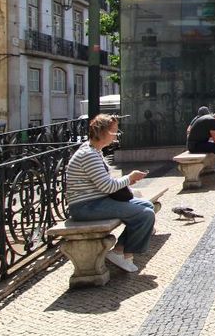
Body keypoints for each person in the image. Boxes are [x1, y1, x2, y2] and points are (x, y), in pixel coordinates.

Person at [66, 115, 154, 272]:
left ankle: (119, 251)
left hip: (97, 201)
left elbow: (103, 184)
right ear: (102, 132)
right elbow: (107, 186)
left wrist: (129, 181)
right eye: (114, 131)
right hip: (86, 207)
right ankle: (126, 254)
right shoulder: (89, 155)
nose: (117, 134)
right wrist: (129, 178)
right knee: (144, 214)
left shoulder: (94, 151)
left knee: (147, 206)